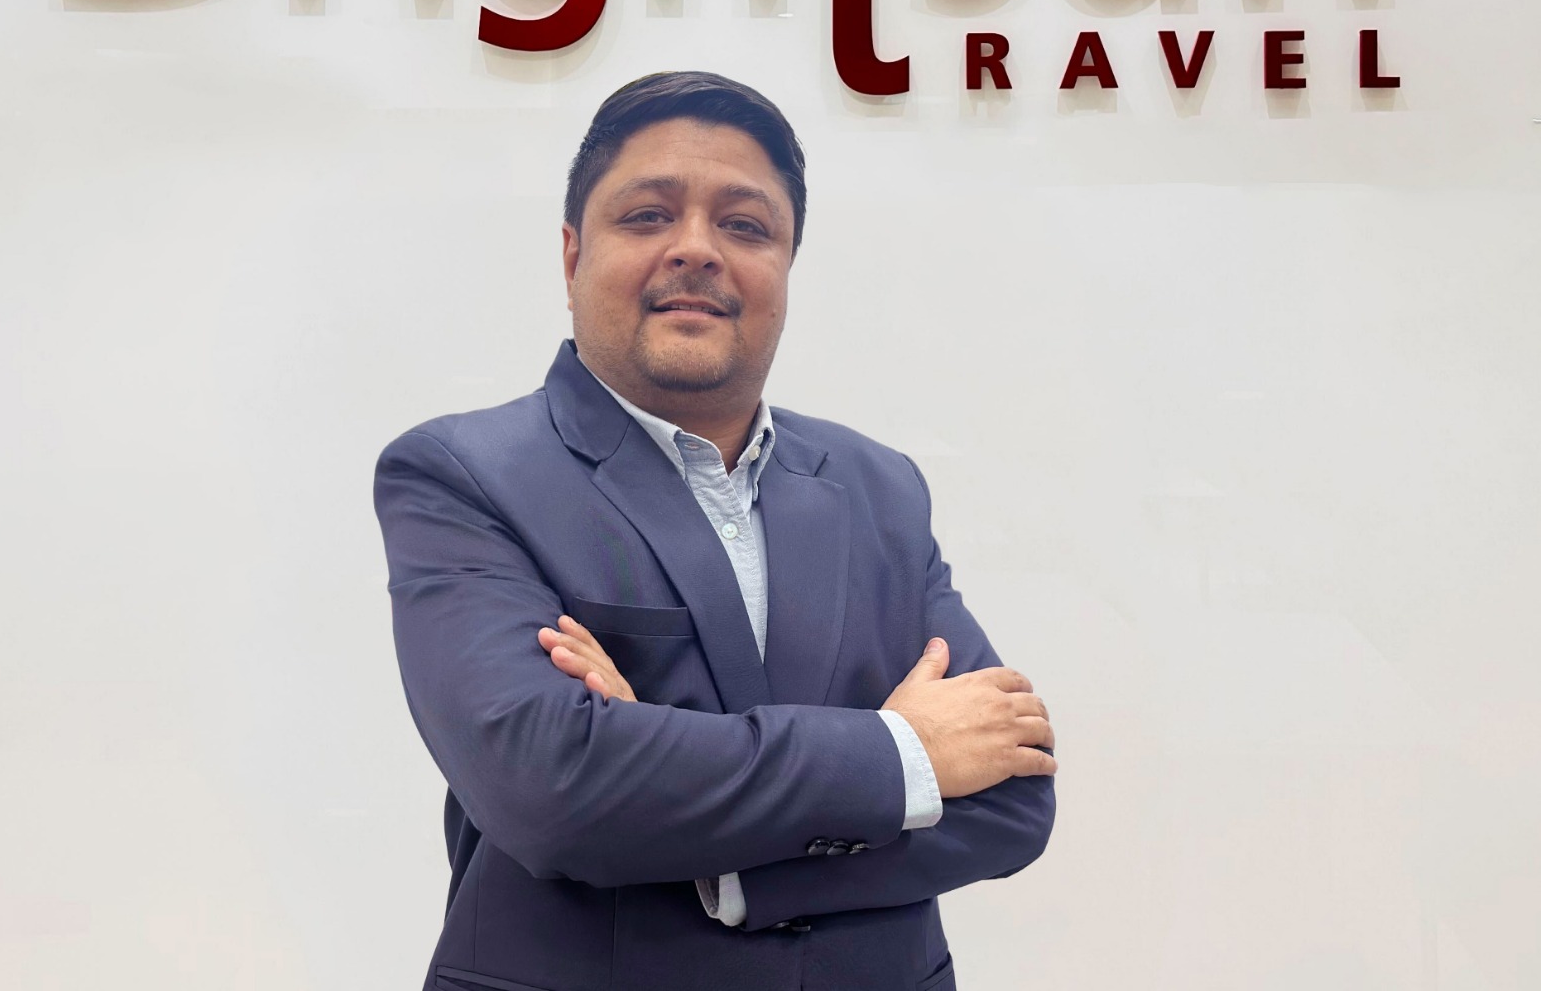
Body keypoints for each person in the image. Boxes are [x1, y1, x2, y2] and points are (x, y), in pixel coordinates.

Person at [373, 71, 1057, 991]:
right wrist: (905, 753)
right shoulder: (463, 474)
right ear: (572, 256)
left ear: (786, 268)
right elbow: (548, 787)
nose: (696, 249)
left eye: (745, 226)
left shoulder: (879, 488)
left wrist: (709, 839)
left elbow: (1012, 797)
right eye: (648, 216)